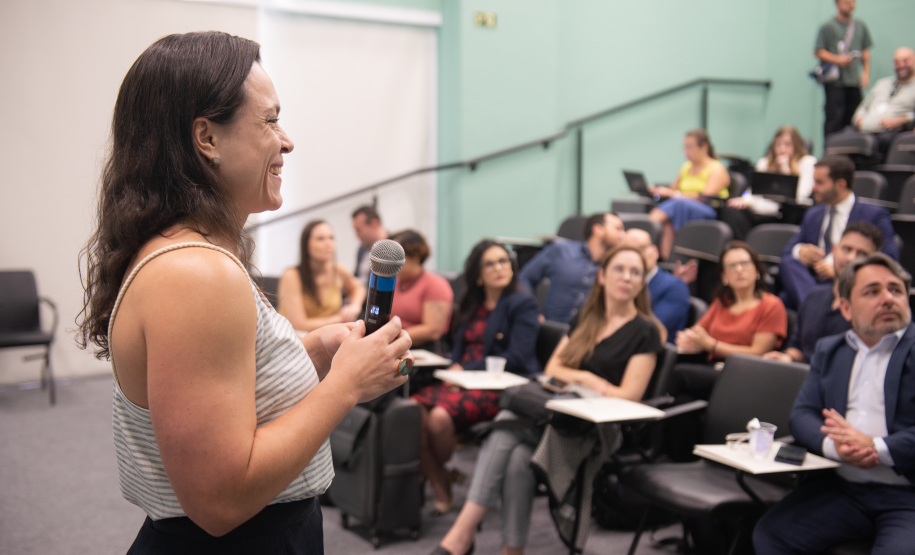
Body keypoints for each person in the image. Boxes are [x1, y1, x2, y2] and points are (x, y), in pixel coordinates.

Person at [76, 32, 412, 553]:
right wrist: (345, 385)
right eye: (270, 120)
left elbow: (218, 386)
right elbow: (220, 500)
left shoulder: (186, 254)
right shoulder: (195, 275)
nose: (287, 140)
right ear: (206, 138)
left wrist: (315, 350)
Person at [431, 246, 665, 555]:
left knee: (505, 426)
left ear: (641, 283)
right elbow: (554, 367)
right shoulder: (588, 318)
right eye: (619, 269)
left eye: (635, 272)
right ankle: (508, 550)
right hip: (561, 413)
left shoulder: (646, 331)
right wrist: (589, 379)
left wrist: (580, 379)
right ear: (602, 276)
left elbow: (628, 396)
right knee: (516, 461)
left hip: (599, 426)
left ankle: (460, 536)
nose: (627, 277)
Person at [754, 253, 915, 555]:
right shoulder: (832, 350)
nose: (888, 298)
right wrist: (835, 447)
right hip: (843, 487)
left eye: (896, 290)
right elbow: (802, 414)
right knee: (771, 535)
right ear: (845, 307)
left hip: (907, 496)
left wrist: (875, 447)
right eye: (872, 291)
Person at [413, 240, 540, 516]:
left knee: (438, 418)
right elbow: (458, 349)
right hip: (462, 380)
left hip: (500, 385)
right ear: (478, 274)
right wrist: (453, 369)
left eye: (503, 261)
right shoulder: (473, 302)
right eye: (490, 263)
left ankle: (442, 473)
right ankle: (440, 484)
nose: (499, 268)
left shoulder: (522, 303)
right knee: (412, 412)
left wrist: (465, 371)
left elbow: (517, 357)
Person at [779, 155, 897, 310]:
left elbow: (890, 259)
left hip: (846, 283)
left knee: (785, 299)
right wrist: (800, 251)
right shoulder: (814, 214)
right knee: (788, 263)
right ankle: (816, 309)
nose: (813, 188)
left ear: (840, 184)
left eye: (819, 182)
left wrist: (839, 271)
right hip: (811, 280)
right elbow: (788, 251)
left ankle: (812, 309)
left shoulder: (873, 215)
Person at [675, 241, 787, 400]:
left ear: (757, 270)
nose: (739, 270)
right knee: (682, 400)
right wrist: (688, 339)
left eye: (744, 263)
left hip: (747, 374)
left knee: (679, 374)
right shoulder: (722, 302)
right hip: (713, 369)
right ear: (724, 277)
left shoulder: (771, 305)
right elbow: (697, 332)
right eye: (732, 266)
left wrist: (712, 345)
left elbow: (758, 353)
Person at [764, 221, 882, 364]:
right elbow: (797, 347)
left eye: (862, 253)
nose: (851, 258)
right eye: (847, 249)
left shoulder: (874, 308)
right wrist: (787, 357)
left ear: (873, 261)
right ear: (834, 250)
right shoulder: (813, 296)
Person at [518, 213, 625, 323]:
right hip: (552, 329)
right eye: (618, 229)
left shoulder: (614, 266)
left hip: (588, 334)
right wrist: (531, 311)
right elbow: (525, 278)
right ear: (598, 229)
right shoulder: (562, 249)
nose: (623, 235)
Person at [720, 126, 817, 240]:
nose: (782, 148)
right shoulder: (764, 163)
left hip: (783, 214)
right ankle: (745, 249)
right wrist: (745, 200)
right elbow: (752, 192)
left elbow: (800, 196)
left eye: (787, 144)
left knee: (790, 213)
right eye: (778, 144)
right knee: (730, 211)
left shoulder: (807, 163)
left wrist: (786, 170)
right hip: (759, 210)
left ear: (796, 145)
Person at [648, 129, 731, 259]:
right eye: (685, 147)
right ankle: (666, 261)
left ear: (704, 147)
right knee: (668, 222)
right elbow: (672, 189)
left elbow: (705, 196)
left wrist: (676, 194)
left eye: (690, 147)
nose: (686, 151)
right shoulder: (686, 167)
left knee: (677, 203)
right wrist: (659, 191)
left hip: (707, 209)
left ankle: (648, 225)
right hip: (681, 205)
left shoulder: (717, 169)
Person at [277, 220, 366, 332]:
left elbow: (358, 288)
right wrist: (339, 319)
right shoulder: (291, 275)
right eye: (320, 239)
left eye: (331, 238)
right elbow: (298, 324)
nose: (328, 243)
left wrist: (355, 306)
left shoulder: (337, 269)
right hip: (297, 339)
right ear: (306, 245)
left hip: (330, 338)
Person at [815, 0, 873, 139]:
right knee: (834, 120)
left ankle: (852, 154)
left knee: (854, 118)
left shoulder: (860, 26)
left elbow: (865, 52)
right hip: (835, 83)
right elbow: (818, 51)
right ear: (837, 4)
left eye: (852, 1)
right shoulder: (828, 27)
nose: (850, 4)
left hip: (853, 82)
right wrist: (837, 59)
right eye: (846, 2)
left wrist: (865, 73)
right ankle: (830, 154)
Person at [389, 229, 453, 349]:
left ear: (416, 257)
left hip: (422, 350)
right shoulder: (394, 282)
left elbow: (432, 330)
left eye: (396, 256)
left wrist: (390, 338)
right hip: (394, 344)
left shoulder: (435, 284)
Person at [621, 228, 690, 340]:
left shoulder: (675, 287)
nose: (635, 256)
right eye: (627, 251)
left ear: (655, 251)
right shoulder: (616, 284)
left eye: (641, 248)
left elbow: (650, 332)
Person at [850, 47, 915, 157]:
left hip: (892, 132)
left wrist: (903, 120)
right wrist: (858, 119)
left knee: (881, 142)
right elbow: (863, 106)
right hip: (865, 129)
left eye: (905, 61)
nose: (901, 65)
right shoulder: (882, 83)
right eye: (897, 62)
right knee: (836, 140)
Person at [352, 204, 388, 286]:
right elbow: (356, 276)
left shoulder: (393, 248)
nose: (356, 235)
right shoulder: (361, 249)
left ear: (374, 224)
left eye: (358, 230)